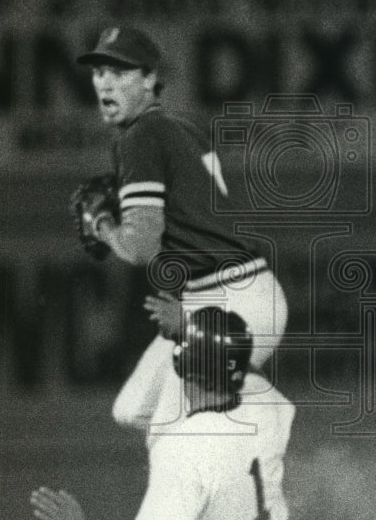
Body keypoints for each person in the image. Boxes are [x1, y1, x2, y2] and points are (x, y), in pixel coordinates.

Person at [75, 25, 288, 438]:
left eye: (120, 72)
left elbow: (139, 248)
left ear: (151, 78)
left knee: (174, 420)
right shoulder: (179, 127)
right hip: (226, 297)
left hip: (234, 303)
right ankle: (246, 403)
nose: (105, 82)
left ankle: (251, 419)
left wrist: (101, 224)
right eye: (99, 72)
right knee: (134, 409)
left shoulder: (139, 137)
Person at [30, 307, 297, 520]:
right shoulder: (269, 401)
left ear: (183, 367)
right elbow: (244, 362)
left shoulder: (182, 445)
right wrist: (196, 333)